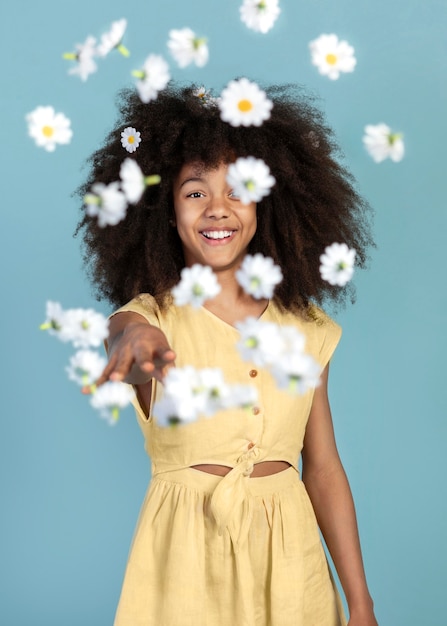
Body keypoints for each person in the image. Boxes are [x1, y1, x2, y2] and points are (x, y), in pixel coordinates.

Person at [76, 82, 378, 626]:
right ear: (166, 211)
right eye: (195, 192)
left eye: (237, 190)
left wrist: (360, 603)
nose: (218, 209)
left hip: (291, 568)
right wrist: (135, 342)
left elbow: (325, 467)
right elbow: (125, 331)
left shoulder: (307, 328)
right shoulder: (153, 315)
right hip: (183, 565)